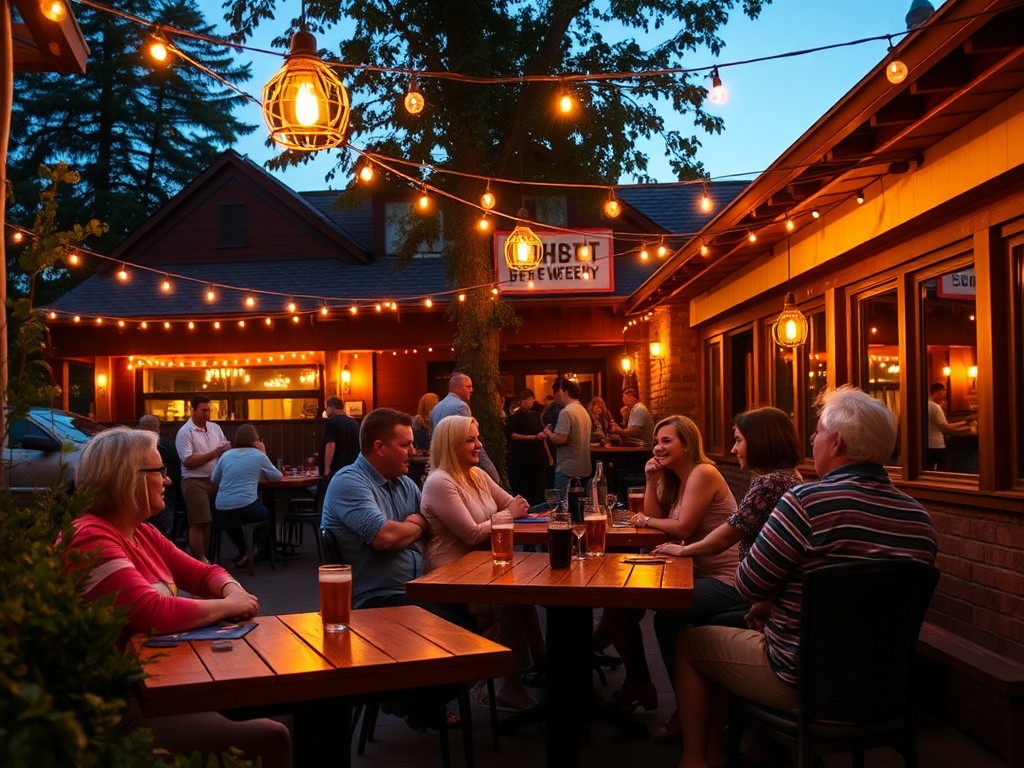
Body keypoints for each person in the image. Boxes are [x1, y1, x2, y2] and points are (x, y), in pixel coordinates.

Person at [674, 386, 937, 768]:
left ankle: (698, 761)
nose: (812, 441)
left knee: (690, 643)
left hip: (801, 680)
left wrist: (771, 602)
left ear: (838, 444)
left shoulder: (805, 502)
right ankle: (764, 746)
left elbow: (748, 585)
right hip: (884, 687)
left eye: (817, 433)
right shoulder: (920, 520)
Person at [65, 427, 291, 767]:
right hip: (119, 707)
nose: (168, 481)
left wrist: (233, 589)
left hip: (162, 684)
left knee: (289, 706)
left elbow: (203, 573)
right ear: (129, 479)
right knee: (273, 735)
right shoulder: (90, 538)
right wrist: (229, 605)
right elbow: (150, 610)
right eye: (161, 472)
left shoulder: (141, 532)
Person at [646, 406, 803, 742]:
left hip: (746, 587)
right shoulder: (786, 479)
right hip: (763, 591)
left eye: (739, 440)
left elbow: (729, 531)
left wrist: (684, 549)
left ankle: (695, 718)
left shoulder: (771, 483)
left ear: (760, 441)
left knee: (669, 616)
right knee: (671, 616)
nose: (733, 449)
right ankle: (708, 717)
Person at [596, 415, 745, 716]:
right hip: (693, 574)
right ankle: (636, 680)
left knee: (662, 613)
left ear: (688, 444)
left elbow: (681, 528)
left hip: (728, 581)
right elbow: (656, 526)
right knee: (618, 603)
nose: (658, 448)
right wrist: (650, 480)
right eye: (656, 442)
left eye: (667, 441)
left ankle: (685, 709)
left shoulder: (703, 472)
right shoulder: (677, 480)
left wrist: (645, 519)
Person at [420, 415, 539, 711]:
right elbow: (472, 533)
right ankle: (468, 683)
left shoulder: (477, 475)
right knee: (510, 602)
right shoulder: (440, 482)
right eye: (471, 440)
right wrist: (508, 513)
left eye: (478, 437)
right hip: (451, 572)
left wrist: (512, 511)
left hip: (482, 567)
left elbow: (514, 504)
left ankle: (532, 672)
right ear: (452, 445)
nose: (479, 445)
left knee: (525, 595)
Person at [320, 407, 472, 628]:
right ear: (380, 447)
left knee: (487, 607)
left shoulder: (404, 483)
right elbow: (385, 537)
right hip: (376, 599)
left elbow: (434, 522)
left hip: (416, 589)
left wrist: (419, 524)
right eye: (405, 445)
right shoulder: (349, 481)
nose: (413, 451)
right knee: (462, 624)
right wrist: (419, 523)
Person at [210, 423, 281, 568]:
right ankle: (254, 548)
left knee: (233, 522)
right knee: (267, 515)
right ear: (256, 440)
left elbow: (214, 479)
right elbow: (277, 477)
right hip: (246, 506)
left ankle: (244, 550)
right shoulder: (258, 456)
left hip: (221, 508)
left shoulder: (226, 455)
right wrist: (263, 452)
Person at [175, 394, 230, 563]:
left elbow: (224, 447)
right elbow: (189, 461)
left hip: (215, 479)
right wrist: (214, 453)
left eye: (209, 410)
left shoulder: (215, 428)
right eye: (204, 410)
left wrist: (225, 451)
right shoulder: (185, 432)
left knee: (214, 519)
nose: (207, 414)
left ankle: (207, 556)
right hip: (194, 480)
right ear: (192, 411)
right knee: (200, 520)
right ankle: (200, 559)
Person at [431, 372, 501, 484]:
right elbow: (471, 438)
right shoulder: (461, 406)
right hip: (457, 464)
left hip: (440, 464)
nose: (472, 390)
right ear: (459, 388)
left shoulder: (437, 407)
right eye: (469, 386)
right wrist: (491, 471)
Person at [542, 378, 592, 491]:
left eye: (560, 391)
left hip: (567, 469)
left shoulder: (566, 412)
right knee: (579, 505)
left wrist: (548, 432)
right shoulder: (583, 411)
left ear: (565, 392)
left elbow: (560, 439)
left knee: (561, 504)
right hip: (584, 468)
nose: (558, 394)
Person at [504, 388, 550, 505]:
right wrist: (533, 437)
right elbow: (512, 435)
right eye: (528, 400)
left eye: (532, 399)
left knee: (538, 485)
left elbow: (542, 434)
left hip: (538, 456)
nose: (531, 402)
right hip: (522, 457)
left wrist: (549, 456)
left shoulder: (536, 415)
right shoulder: (514, 417)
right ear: (521, 401)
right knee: (524, 485)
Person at [139, 414, 181, 538]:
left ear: (140, 428)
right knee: (165, 531)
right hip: (167, 492)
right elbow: (178, 466)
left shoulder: (135, 447)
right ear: (158, 428)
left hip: (142, 493)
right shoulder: (169, 445)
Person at [926, 382, 976, 470]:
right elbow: (946, 428)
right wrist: (966, 422)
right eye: (943, 392)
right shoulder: (935, 407)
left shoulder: (927, 405)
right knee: (939, 473)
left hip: (930, 445)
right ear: (938, 392)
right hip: (936, 445)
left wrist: (966, 425)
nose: (944, 395)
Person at [323, 396, 360, 475]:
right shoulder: (354, 422)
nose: (326, 411)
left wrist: (327, 469)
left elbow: (330, 445)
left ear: (332, 407)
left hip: (338, 469)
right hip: (354, 467)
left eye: (326, 408)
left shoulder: (331, 422)